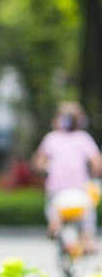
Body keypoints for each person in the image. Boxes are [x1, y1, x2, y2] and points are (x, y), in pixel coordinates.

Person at [32, 101, 102, 252]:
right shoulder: (82, 138)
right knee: (87, 214)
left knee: (55, 211)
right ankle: (87, 241)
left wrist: (43, 168)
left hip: (60, 188)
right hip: (77, 187)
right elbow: (96, 162)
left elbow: (38, 161)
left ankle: (55, 229)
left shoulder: (52, 138)